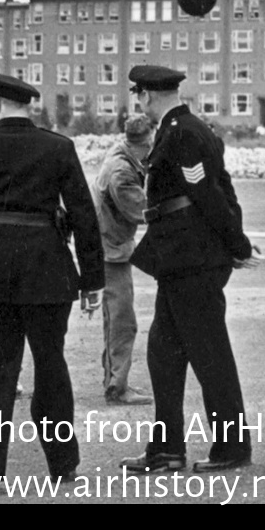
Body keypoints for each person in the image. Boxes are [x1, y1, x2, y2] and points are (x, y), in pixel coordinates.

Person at [0, 72, 103, 482]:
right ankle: (63, 466)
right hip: (47, 269)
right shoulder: (59, 147)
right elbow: (83, 215)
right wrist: (92, 279)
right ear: (26, 107)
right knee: (51, 368)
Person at [122, 65, 253, 475]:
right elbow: (222, 187)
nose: (137, 101)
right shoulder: (180, 128)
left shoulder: (183, 132)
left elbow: (209, 193)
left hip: (191, 257)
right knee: (164, 355)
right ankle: (166, 450)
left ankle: (231, 448)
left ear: (148, 94)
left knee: (209, 354)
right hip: (180, 257)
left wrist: (237, 244)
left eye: (138, 94)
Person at [94, 114, 155, 405]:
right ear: (146, 140)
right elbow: (141, 210)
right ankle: (117, 387)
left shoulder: (122, 157)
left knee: (115, 318)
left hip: (111, 245)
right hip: (111, 250)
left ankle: (113, 381)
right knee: (122, 321)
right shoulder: (122, 171)